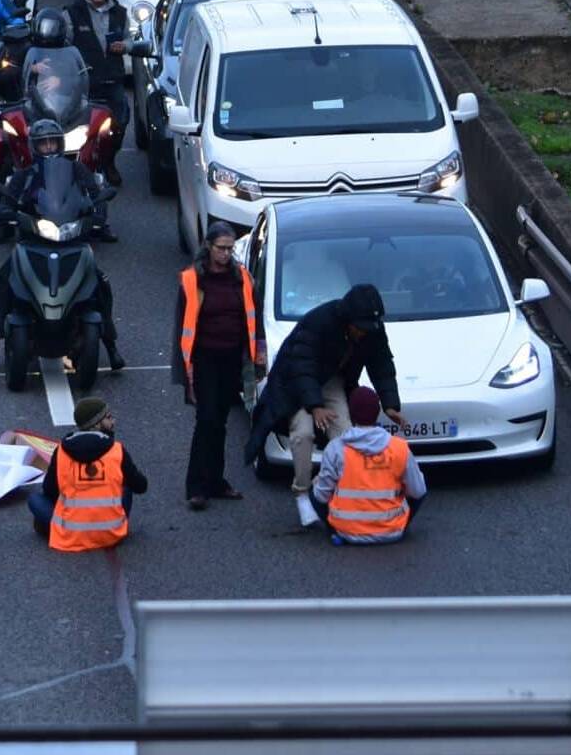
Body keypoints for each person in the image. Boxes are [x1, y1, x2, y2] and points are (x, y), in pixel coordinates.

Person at [243, 283, 408, 529]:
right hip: (295, 386)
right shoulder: (319, 322)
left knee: (345, 437)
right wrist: (315, 405)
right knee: (303, 433)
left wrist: (390, 404)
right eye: (359, 328)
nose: (362, 333)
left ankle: (321, 489)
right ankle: (301, 492)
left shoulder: (372, 329)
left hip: (332, 382)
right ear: (348, 318)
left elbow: (381, 363)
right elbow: (302, 365)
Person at [0, 118, 123, 369]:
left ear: (60, 144)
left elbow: (93, 193)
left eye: (52, 143)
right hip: (34, 240)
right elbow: (8, 200)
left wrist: (97, 211)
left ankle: (111, 345)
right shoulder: (24, 175)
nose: (48, 148)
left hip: (71, 239)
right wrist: (6, 212)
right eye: (43, 144)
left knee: (100, 285)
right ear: (35, 147)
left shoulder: (76, 170)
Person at [174, 223, 263, 511]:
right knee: (207, 419)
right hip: (204, 360)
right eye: (221, 248)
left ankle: (215, 480)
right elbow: (181, 326)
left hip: (232, 360)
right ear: (208, 247)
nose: (226, 254)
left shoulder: (243, 279)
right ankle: (197, 486)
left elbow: (254, 316)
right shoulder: (192, 281)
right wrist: (183, 367)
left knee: (220, 421)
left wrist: (257, 354)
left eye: (230, 248)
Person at [28, 397, 148, 550]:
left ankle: (51, 529)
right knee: (126, 486)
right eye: (109, 417)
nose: (114, 422)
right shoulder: (117, 450)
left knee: (35, 499)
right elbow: (141, 486)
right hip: (111, 534)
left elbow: (49, 490)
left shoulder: (62, 451)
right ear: (97, 424)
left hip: (70, 533)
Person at [312, 386, 426, 545]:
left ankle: (334, 531)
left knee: (315, 487)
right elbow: (418, 491)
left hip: (347, 531)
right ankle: (401, 524)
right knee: (419, 481)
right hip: (392, 531)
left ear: (351, 415)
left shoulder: (336, 448)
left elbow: (321, 496)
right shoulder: (399, 447)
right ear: (377, 412)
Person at [67, 0, 134, 171]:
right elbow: (63, 44)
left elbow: (130, 39)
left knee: (120, 121)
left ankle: (109, 161)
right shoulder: (72, 12)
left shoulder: (121, 13)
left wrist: (125, 46)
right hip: (84, 81)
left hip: (113, 79)